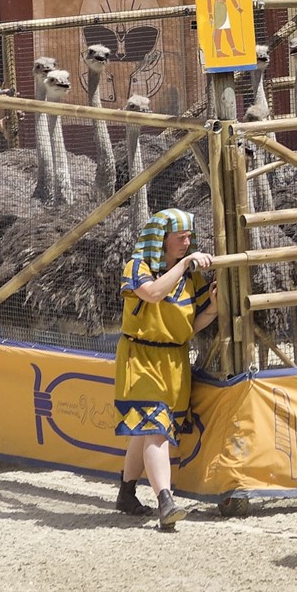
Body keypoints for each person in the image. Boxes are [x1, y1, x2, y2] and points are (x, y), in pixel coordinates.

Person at [113, 207, 212, 528]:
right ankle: (165, 502)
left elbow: (189, 325)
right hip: (140, 358)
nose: (187, 243)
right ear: (161, 239)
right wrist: (184, 265)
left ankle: (126, 493)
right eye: (180, 238)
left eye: (189, 237)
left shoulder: (191, 278)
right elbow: (153, 294)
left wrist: (214, 307)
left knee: (144, 430)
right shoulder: (137, 267)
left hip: (174, 360)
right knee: (156, 429)